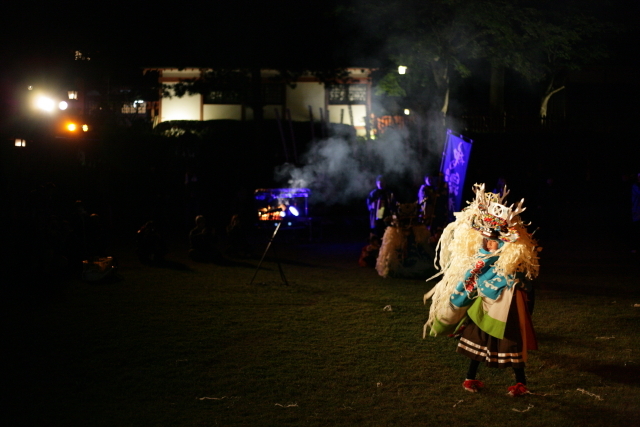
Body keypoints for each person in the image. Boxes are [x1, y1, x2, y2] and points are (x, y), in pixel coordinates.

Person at [423, 183, 540, 397]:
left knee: (511, 342)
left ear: (502, 242)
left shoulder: (512, 260)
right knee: (477, 339)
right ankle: (470, 378)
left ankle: (520, 383)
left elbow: (525, 283)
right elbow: (468, 283)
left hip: (507, 307)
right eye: (486, 240)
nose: (488, 244)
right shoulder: (480, 261)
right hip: (483, 305)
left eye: (493, 241)